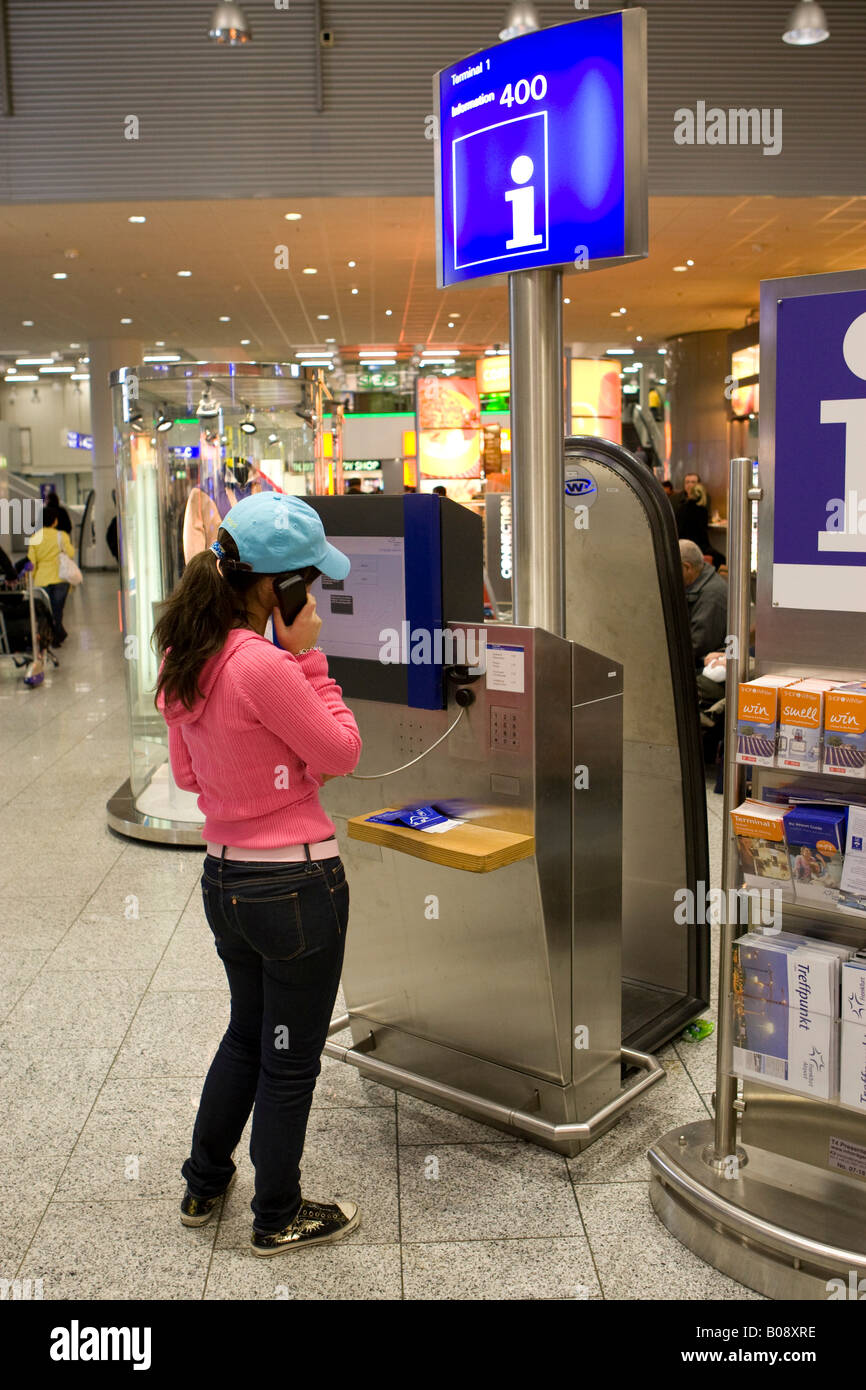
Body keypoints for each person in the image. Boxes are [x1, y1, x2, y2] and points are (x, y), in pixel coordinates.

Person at [154, 491, 363, 1256]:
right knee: (289, 1059)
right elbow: (341, 754)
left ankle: (204, 1181)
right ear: (281, 590)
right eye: (312, 582)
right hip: (298, 888)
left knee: (248, 1033)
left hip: (226, 883)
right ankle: (278, 1214)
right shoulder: (267, 666)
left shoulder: (188, 655)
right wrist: (308, 659)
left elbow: (186, 774)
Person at [27, 503, 74, 645]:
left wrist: (34, 576)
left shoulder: (35, 537)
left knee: (45, 611)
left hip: (42, 579)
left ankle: (50, 634)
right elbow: (70, 553)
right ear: (55, 521)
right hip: (60, 578)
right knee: (57, 610)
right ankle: (57, 634)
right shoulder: (62, 535)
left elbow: (32, 561)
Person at [680, 539, 728, 669]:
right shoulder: (695, 583)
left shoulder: (712, 596)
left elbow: (698, 646)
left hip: (704, 667)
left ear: (687, 567)